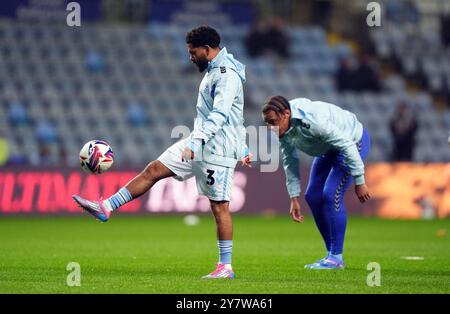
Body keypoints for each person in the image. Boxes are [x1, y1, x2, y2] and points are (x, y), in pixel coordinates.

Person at [73, 26, 251, 279]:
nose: (190, 56)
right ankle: (107, 207)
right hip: (200, 141)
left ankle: (226, 267)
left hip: (217, 150)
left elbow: (221, 115)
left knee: (219, 206)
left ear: (208, 50)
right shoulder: (214, 70)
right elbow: (236, 114)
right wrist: (238, 145)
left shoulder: (226, 75)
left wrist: (213, 144)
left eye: (193, 52)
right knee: (154, 169)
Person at [261, 95, 371, 270]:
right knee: (312, 196)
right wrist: (294, 197)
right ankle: (331, 256)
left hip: (352, 141)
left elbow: (346, 144)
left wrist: (360, 180)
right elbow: (290, 161)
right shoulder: (282, 130)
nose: (270, 128)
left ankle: (336, 257)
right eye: (267, 123)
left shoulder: (313, 121)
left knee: (330, 193)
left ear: (286, 114)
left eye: (272, 122)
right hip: (327, 148)